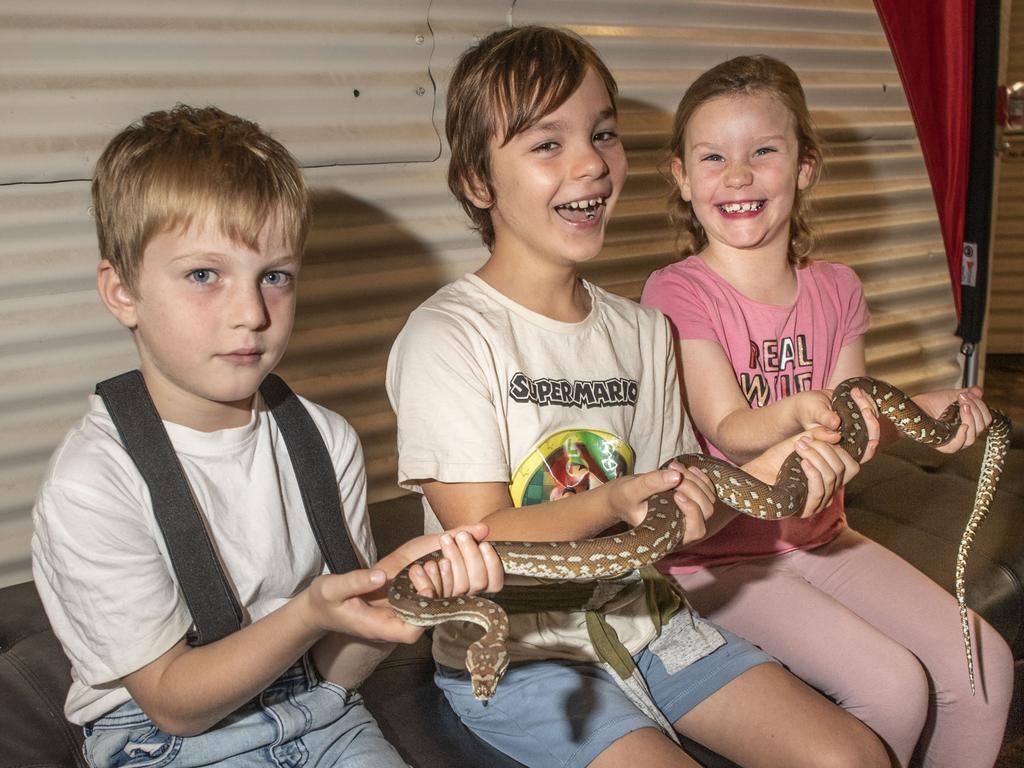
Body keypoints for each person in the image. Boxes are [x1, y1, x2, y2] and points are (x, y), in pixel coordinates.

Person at [386, 26, 889, 768]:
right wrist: (614, 502)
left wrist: (770, 472)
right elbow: (485, 534)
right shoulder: (448, 338)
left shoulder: (645, 331)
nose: (591, 163)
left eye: (603, 134)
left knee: (852, 758)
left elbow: (671, 511)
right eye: (547, 144)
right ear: (476, 182)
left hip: (650, 621)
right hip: (522, 651)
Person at [31, 104, 503, 768]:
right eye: (204, 275)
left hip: (322, 714)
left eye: (274, 276)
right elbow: (172, 701)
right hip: (166, 737)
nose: (251, 314)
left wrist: (409, 599)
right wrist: (312, 612)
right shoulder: (93, 482)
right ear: (122, 290)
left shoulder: (325, 439)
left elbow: (340, 670)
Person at [641, 54, 1014, 768]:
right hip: (717, 561)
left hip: (819, 536)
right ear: (683, 178)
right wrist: (801, 411)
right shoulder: (678, 292)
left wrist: (921, 410)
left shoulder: (837, 289)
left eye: (764, 152)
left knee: (984, 666)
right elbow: (727, 426)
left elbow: (851, 432)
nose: (739, 174)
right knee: (892, 686)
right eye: (713, 156)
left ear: (806, 167)